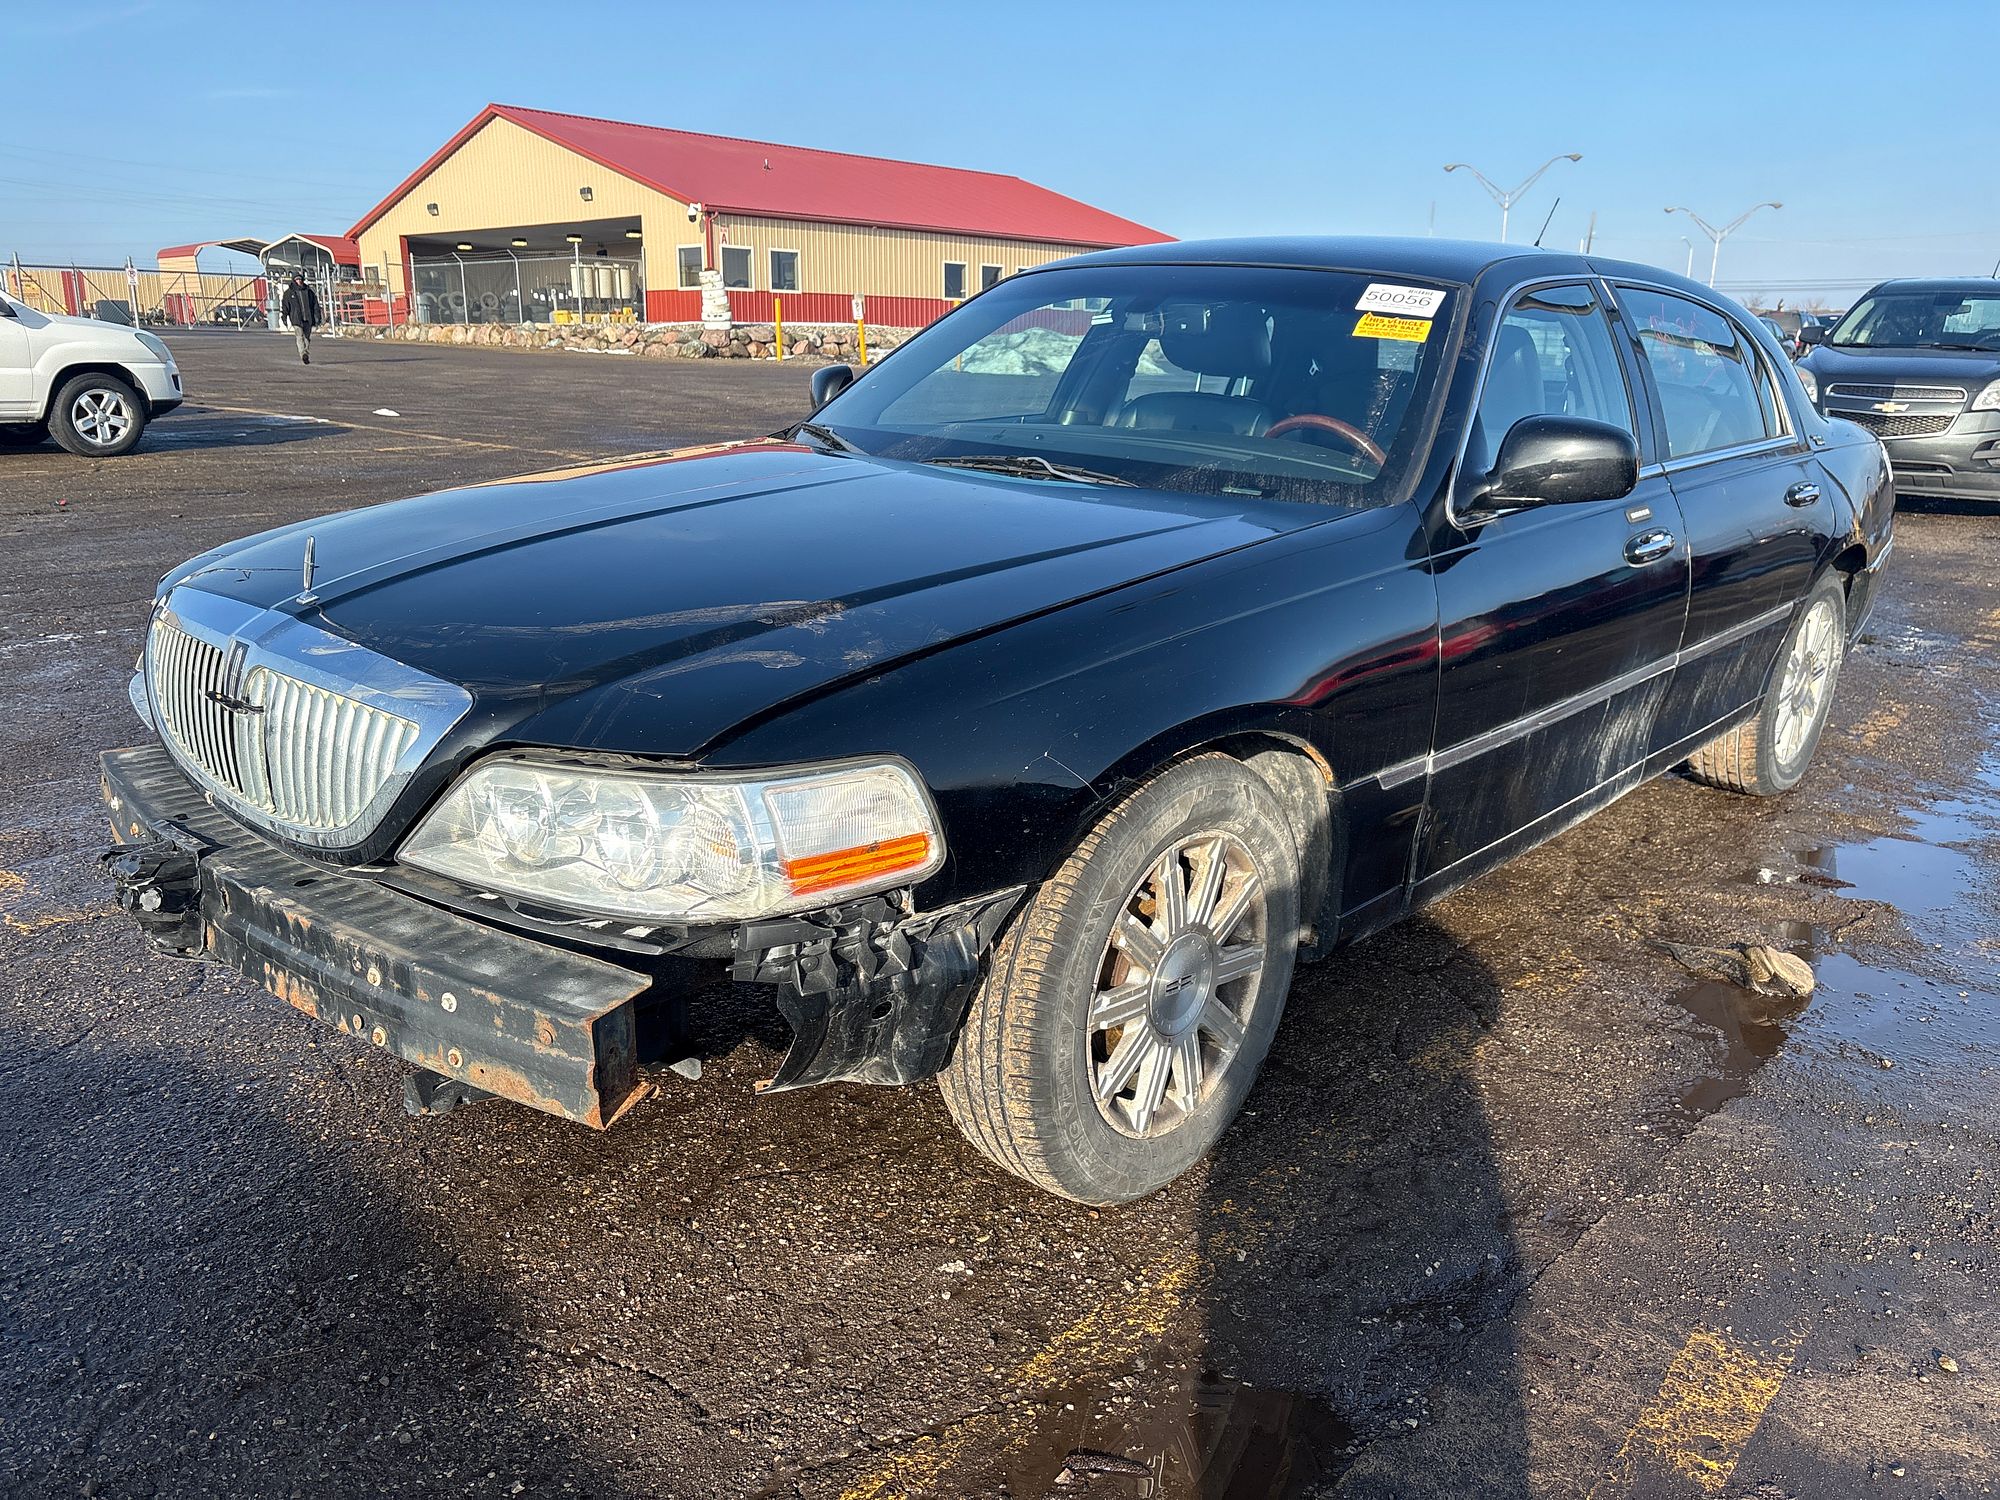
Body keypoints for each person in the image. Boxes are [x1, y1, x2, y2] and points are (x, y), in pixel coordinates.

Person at [279, 272, 321, 364]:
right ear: (294, 280)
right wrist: (284, 317)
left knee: (307, 337)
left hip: (308, 318)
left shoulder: (309, 291)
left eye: (300, 279)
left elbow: (315, 305)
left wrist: (317, 316)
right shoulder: (289, 293)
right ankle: (303, 354)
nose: (299, 281)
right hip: (296, 319)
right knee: (299, 336)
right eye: (297, 279)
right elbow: (285, 306)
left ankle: (305, 352)